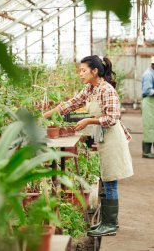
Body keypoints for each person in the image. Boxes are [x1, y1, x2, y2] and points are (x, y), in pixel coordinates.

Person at [43, 55, 133, 237]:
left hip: (113, 139)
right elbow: (71, 103)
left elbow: (112, 118)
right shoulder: (90, 89)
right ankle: (108, 222)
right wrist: (45, 115)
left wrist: (88, 120)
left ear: (95, 71)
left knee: (110, 181)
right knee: (107, 179)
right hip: (104, 138)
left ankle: (110, 224)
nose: (80, 74)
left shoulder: (106, 90)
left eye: (83, 70)